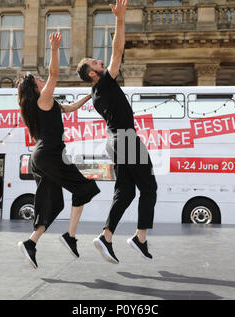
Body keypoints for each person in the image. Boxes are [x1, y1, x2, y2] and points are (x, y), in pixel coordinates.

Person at [76, 0, 157, 264]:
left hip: (116, 141)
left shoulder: (97, 93)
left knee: (127, 191)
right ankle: (139, 237)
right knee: (149, 187)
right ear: (92, 74)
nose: (99, 61)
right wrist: (120, 19)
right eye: (94, 62)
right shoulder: (105, 85)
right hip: (125, 139)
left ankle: (106, 236)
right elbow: (117, 50)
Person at [16, 33, 100, 269]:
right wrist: (53, 48)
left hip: (41, 158)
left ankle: (30, 243)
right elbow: (54, 73)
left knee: (53, 205)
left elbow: (71, 108)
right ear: (36, 87)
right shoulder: (44, 99)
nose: (44, 80)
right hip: (50, 156)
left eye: (42, 78)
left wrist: (91, 94)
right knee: (84, 188)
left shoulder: (46, 104)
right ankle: (70, 237)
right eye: (39, 79)